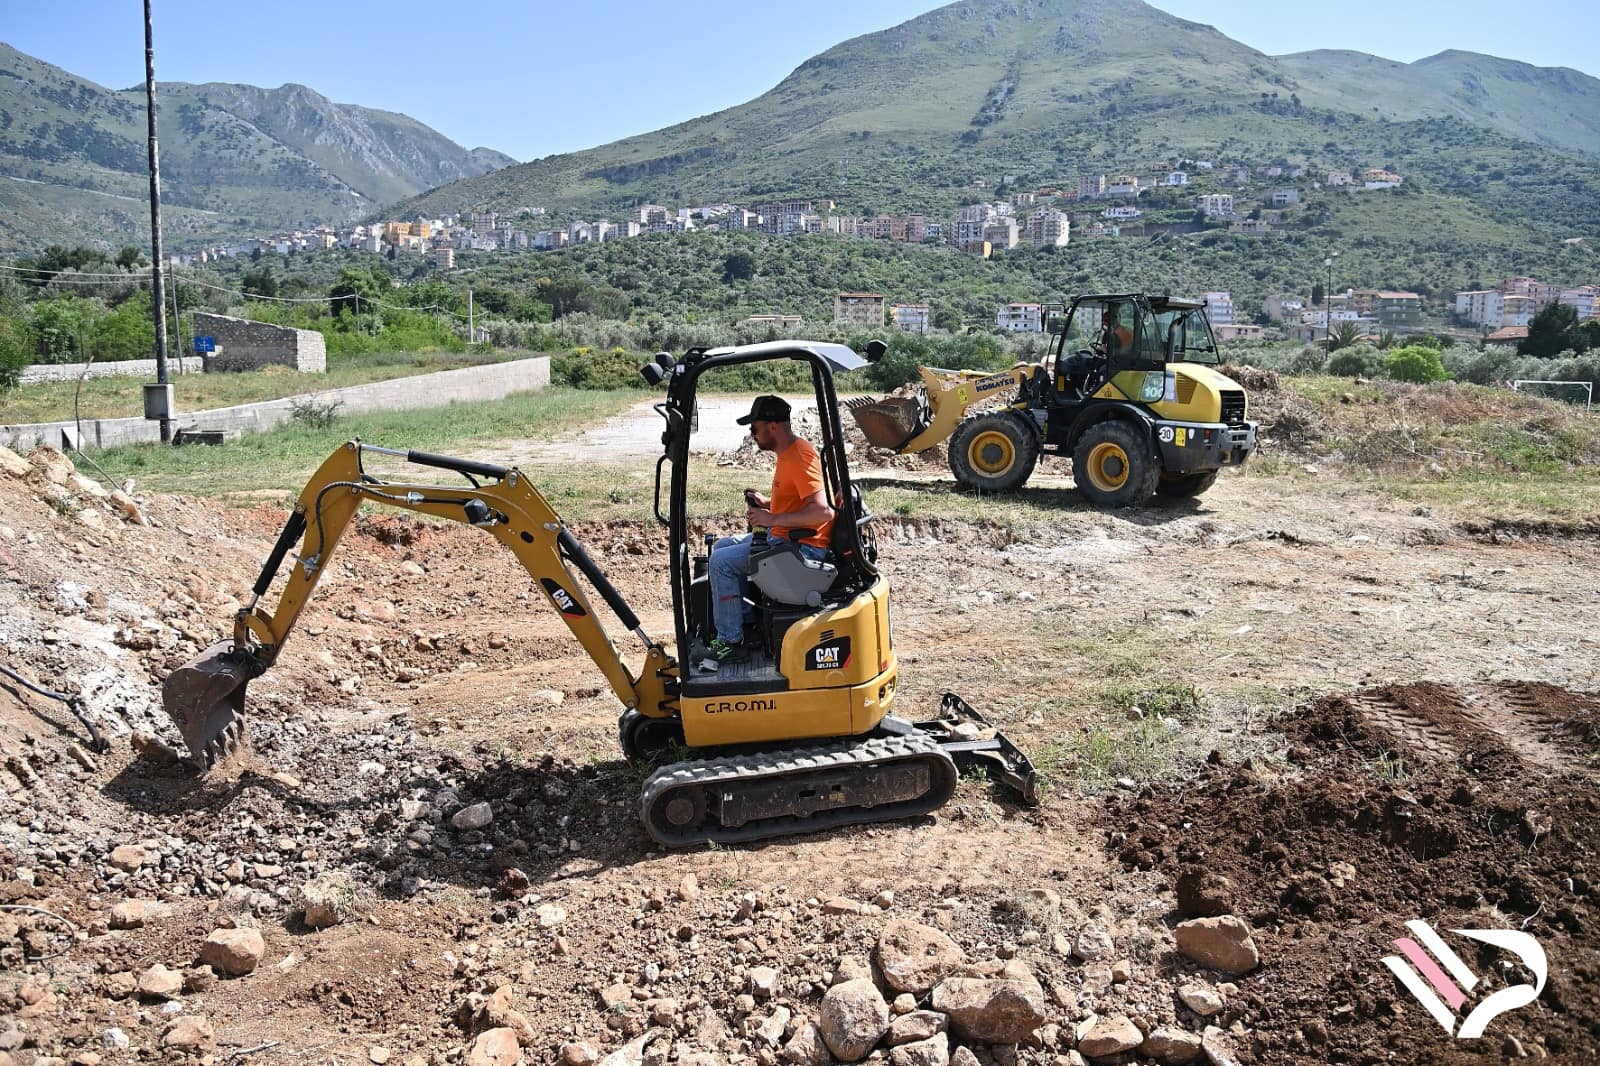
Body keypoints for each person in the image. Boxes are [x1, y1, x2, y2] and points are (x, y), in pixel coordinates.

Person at [703, 395, 835, 670]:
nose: (752, 434)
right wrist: (767, 504)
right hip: (785, 539)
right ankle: (746, 623)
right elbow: (798, 503)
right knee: (721, 547)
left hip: (803, 550)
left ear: (773, 426)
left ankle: (730, 642)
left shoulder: (799, 455)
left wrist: (772, 517)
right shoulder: (787, 454)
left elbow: (823, 512)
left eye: (755, 427)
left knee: (720, 563)